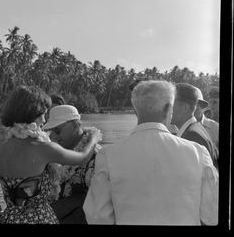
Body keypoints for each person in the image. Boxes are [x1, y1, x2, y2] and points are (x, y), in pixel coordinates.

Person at [83, 80, 218, 225]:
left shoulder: (108, 155)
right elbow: (212, 214)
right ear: (169, 108)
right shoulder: (197, 153)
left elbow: (97, 215)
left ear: (135, 110)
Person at [0, 85, 99, 224]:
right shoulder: (43, 149)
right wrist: (94, 137)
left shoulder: (4, 148)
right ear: (32, 114)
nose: (44, 120)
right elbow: (82, 158)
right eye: (43, 114)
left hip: (11, 217)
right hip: (39, 219)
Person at [43, 105, 103, 224]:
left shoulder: (97, 156)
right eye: (50, 131)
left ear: (75, 126)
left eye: (57, 131)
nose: (53, 136)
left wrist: (57, 208)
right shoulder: (55, 154)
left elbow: (99, 201)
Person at [171, 83, 218, 168]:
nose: (169, 109)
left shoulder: (192, 136)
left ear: (185, 108)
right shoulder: (194, 130)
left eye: (172, 104)